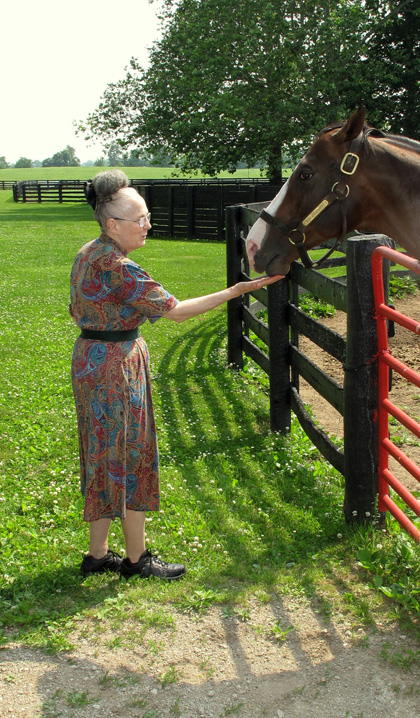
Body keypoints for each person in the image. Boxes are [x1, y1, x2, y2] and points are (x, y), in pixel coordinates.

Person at [70, 170, 282, 581]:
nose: (148, 224)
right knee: (130, 453)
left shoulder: (88, 252)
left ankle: (97, 555)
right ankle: (137, 560)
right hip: (115, 364)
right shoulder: (118, 266)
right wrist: (235, 292)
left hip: (91, 357)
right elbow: (175, 310)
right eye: (141, 219)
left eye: (147, 216)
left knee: (102, 450)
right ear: (113, 224)